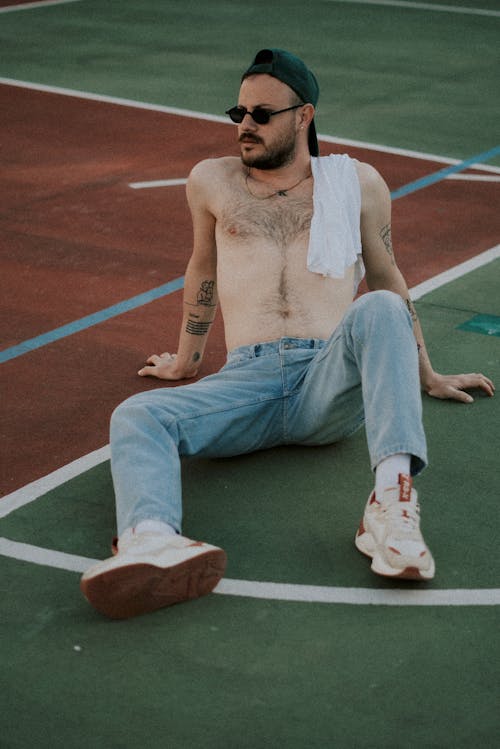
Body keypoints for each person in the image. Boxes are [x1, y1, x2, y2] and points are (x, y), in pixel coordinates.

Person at [80, 49, 495, 619]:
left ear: (304, 116)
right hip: (246, 380)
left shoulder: (357, 183)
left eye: (262, 113)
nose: (245, 124)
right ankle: (152, 539)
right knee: (137, 415)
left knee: (377, 306)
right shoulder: (211, 181)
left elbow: (387, 278)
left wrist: (423, 369)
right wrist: (185, 360)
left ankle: (391, 506)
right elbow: (202, 268)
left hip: (327, 378)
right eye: (239, 111)